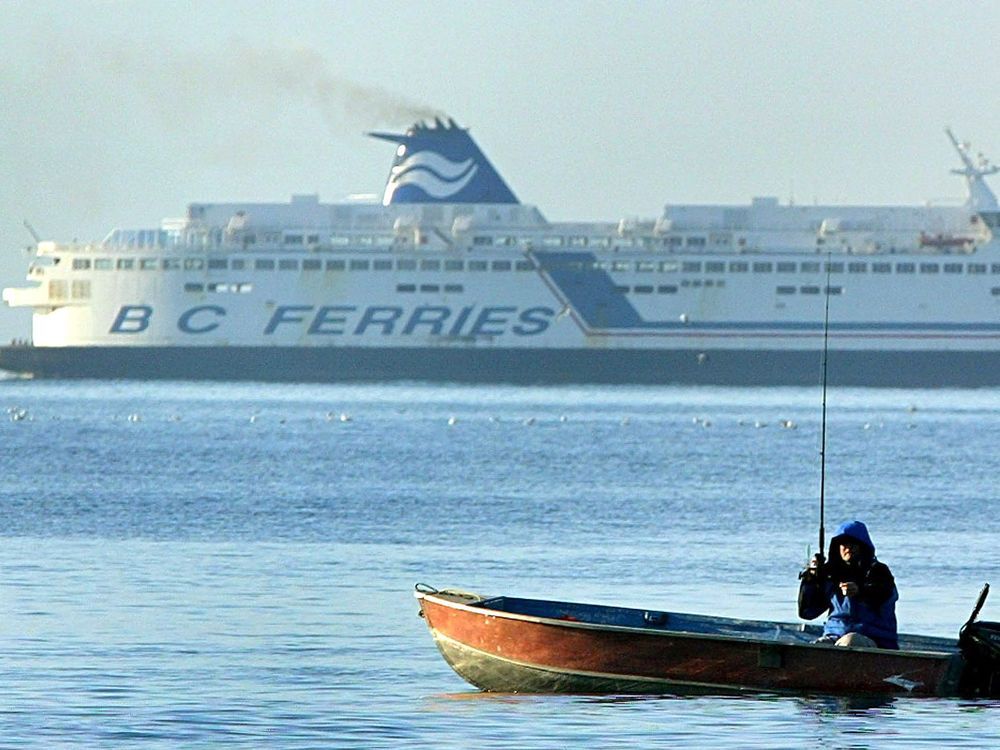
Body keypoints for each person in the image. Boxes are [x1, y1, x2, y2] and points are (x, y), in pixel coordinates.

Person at [798, 520, 899, 649]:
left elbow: (881, 594)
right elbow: (807, 613)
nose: (848, 547)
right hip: (835, 637)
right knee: (815, 648)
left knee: (850, 640)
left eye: (853, 543)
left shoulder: (878, 571)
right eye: (843, 544)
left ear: (863, 546)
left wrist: (859, 591)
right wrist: (811, 579)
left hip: (876, 640)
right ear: (837, 547)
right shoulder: (831, 575)